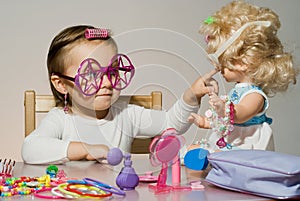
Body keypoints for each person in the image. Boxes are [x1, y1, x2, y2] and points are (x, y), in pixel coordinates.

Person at [21, 25, 218, 164]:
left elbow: (170, 123)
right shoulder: (60, 119)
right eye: (91, 74)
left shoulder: (126, 114)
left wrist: (192, 95)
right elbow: (30, 149)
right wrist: (84, 149)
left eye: (113, 72)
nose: (107, 83)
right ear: (61, 84)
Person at [188, 0, 298, 152]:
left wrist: (223, 108)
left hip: (246, 147)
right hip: (231, 139)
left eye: (222, 63)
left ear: (242, 62)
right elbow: (226, 121)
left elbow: (241, 113)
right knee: (197, 149)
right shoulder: (237, 90)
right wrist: (205, 121)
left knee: (216, 156)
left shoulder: (255, 95)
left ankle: (210, 158)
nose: (218, 68)